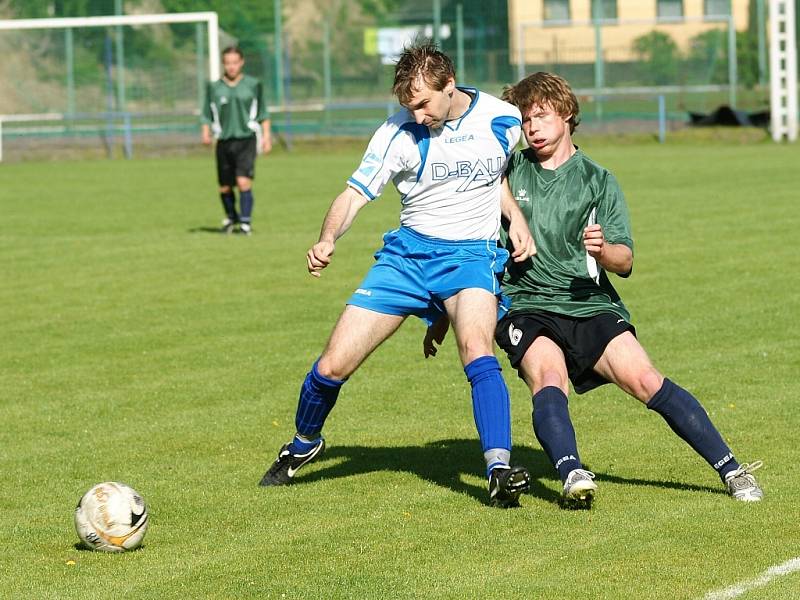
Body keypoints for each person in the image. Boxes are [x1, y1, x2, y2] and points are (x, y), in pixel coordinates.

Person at [259, 43, 536, 508]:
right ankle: (305, 442)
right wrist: (328, 238)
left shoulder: (502, 117)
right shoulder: (397, 133)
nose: (418, 114)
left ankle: (498, 469)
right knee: (332, 366)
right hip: (406, 260)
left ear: (450, 86)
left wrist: (515, 217)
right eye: (408, 106)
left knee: (476, 349)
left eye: (424, 102)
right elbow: (353, 195)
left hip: (471, 257)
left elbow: (497, 176)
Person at [486, 72, 762, 507]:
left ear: (567, 114)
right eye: (524, 120)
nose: (532, 127)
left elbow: (625, 261)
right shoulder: (509, 171)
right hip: (528, 304)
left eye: (541, 116)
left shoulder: (598, 180)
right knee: (549, 377)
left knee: (646, 379)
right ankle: (571, 471)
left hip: (590, 302)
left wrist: (603, 249)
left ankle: (732, 469)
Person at [201, 46, 272, 235]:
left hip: (246, 139)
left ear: (241, 63)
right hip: (224, 141)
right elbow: (206, 113)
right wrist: (205, 132)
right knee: (225, 186)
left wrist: (266, 136)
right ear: (223, 64)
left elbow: (263, 112)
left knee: (243, 182)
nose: (231, 67)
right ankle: (231, 218)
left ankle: (245, 222)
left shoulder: (253, 85)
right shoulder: (214, 87)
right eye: (227, 63)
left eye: (235, 62)